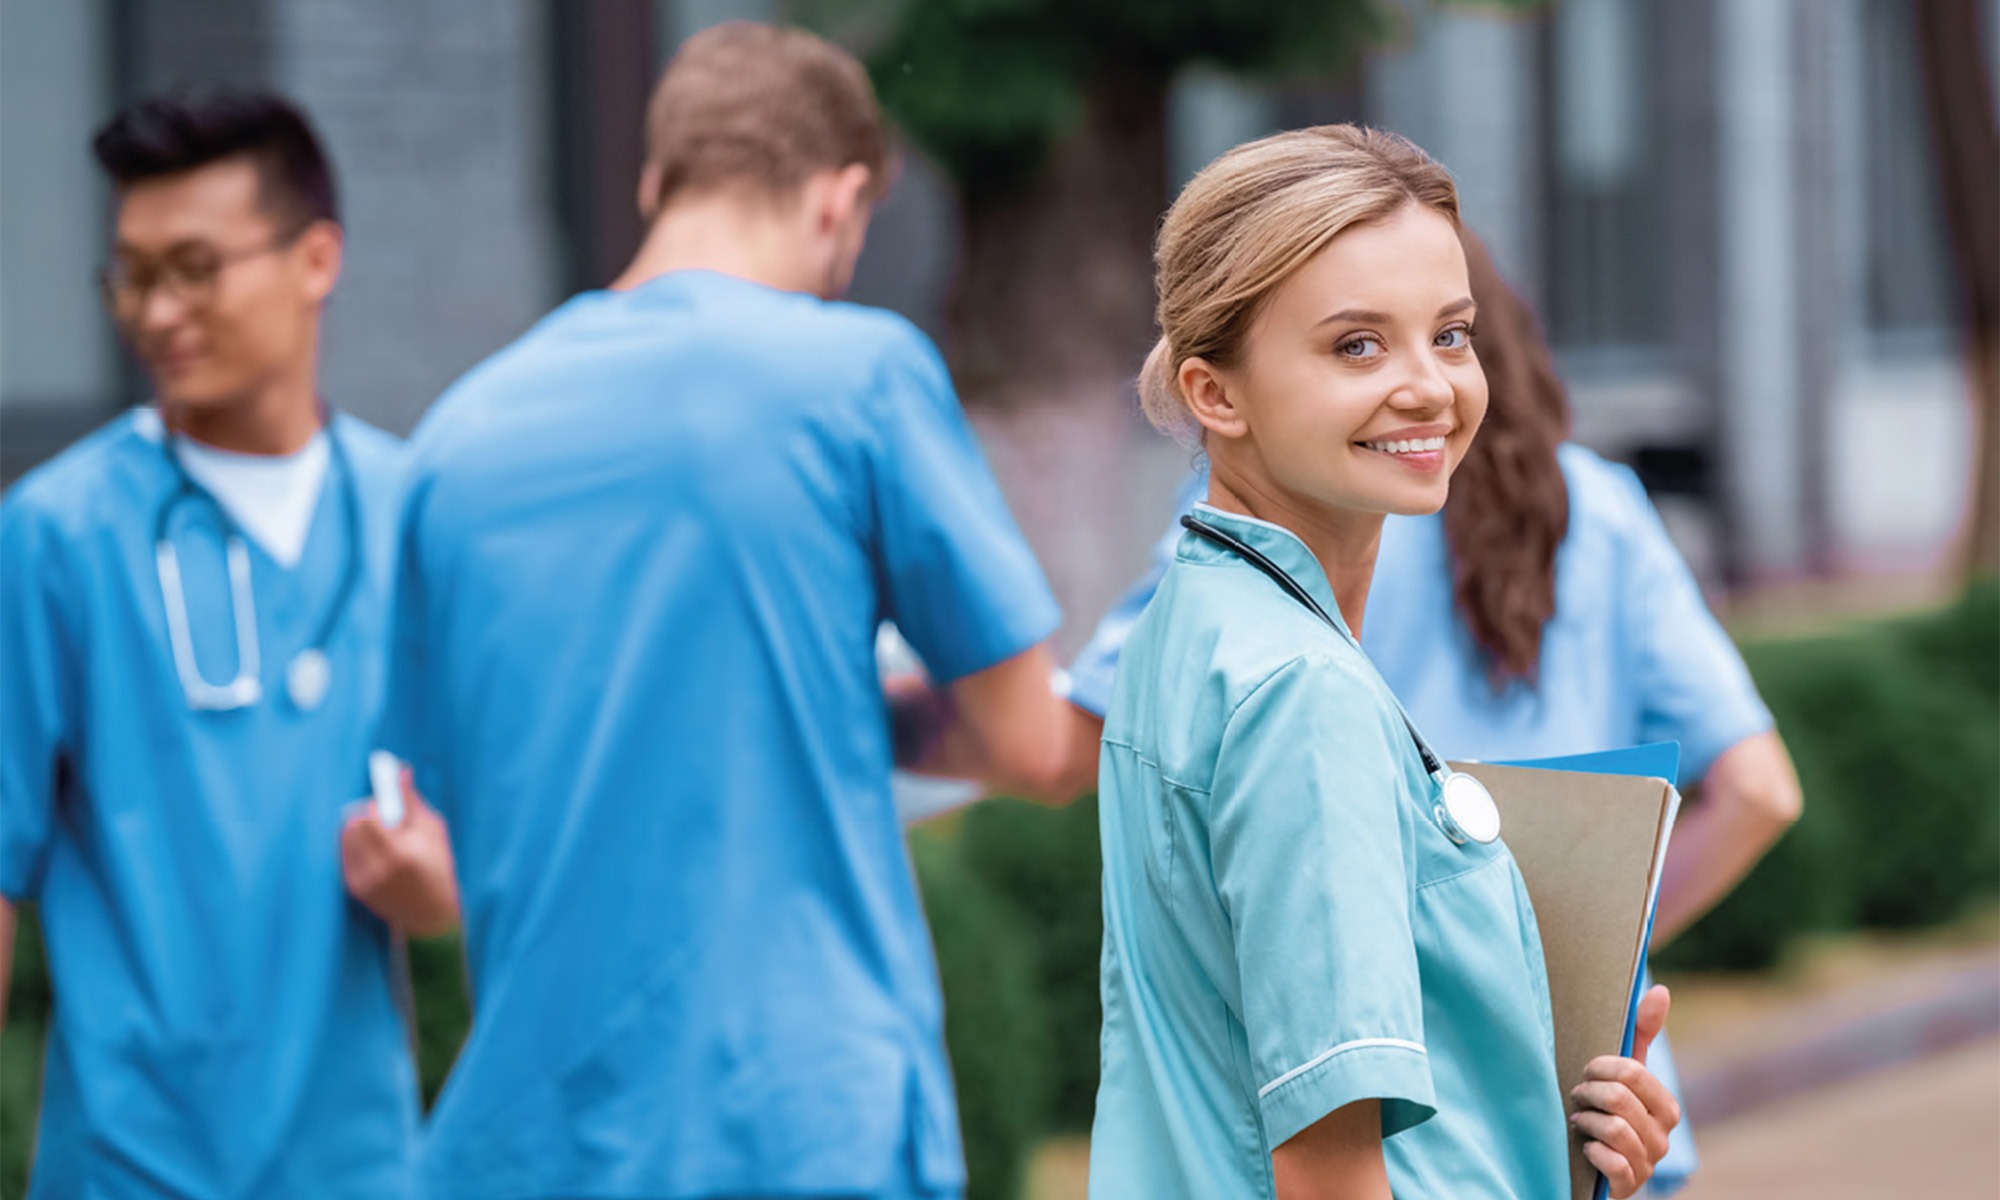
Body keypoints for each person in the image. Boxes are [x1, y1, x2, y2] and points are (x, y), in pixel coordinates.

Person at [381, 22, 1071, 1200]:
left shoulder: (453, 439)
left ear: (656, 181)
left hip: (525, 1143)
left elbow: (432, 835)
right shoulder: (855, 375)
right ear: (839, 201)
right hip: (800, 1127)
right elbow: (1026, 743)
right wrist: (879, 720)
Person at [1061, 229, 1803, 1195]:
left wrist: (1512, 968)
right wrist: (1565, 963)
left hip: (1518, 1124)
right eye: (1356, 343)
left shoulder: (1191, 616)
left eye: (1449, 334)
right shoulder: (1304, 684)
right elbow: (1761, 790)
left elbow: (1065, 748)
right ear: (1214, 392)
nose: (1424, 384)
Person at [0, 86, 457, 1199]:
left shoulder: (418, 516)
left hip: (360, 1168)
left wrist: (436, 892)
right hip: (128, 1167)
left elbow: (485, 853)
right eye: (133, 275)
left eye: (194, 268)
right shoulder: (58, 535)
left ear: (316, 259)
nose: (157, 312)